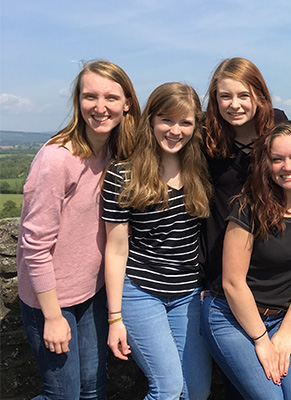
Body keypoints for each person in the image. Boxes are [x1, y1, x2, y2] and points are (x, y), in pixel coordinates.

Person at [16, 59, 140, 400]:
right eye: (90, 97)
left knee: (93, 391)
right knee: (63, 396)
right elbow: (34, 245)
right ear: (78, 101)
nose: (100, 108)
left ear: (127, 103)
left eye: (111, 98)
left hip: (90, 293)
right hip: (51, 300)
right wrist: (53, 317)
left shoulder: (115, 152)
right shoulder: (57, 159)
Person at [200, 121, 291, 399]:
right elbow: (232, 283)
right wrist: (261, 341)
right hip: (229, 317)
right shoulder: (248, 207)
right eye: (277, 159)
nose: (287, 167)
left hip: (281, 320)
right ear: (267, 165)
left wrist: (287, 331)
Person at [103, 82, 212, 399]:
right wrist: (114, 319)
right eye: (167, 119)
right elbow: (115, 249)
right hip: (140, 293)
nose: (175, 130)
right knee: (166, 388)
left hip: (187, 293)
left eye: (185, 122)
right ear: (150, 120)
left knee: (196, 391)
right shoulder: (123, 175)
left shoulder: (199, 169)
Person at [203, 57, 288, 292]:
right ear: (215, 99)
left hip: (272, 269)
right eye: (225, 96)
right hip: (220, 269)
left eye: (243, 95)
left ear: (258, 95)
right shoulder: (206, 137)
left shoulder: (278, 125)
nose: (234, 104)